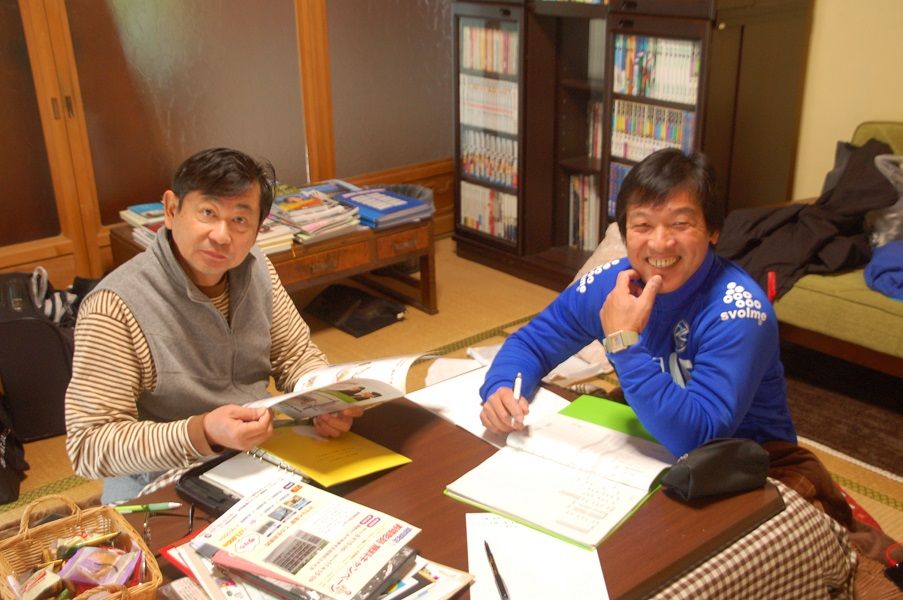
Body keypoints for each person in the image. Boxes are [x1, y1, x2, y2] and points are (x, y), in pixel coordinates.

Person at [479, 148, 901, 593]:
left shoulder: (739, 309)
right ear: (625, 231)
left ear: (713, 230)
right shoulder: (611, 282)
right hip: (647, 439)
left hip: (748, 459)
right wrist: (503, 387)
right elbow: (532, 342)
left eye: (680, 224)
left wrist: (622, 342)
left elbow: (699, 435)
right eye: (643, 225)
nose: (660, 244)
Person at [66, 147, 362, 503]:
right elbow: (88, 445)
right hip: (162, 484)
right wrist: (202, 431)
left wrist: (323, 397)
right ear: (171, 210)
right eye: (208, 212)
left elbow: (295, 355)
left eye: (239, 220)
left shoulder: (256, 268)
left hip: (258, 457)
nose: (222, 236)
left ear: (257, 230)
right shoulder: (113, 307)